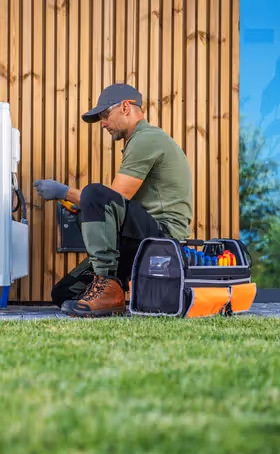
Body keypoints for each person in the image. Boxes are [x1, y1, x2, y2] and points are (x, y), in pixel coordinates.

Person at [33, 83, 194, 317]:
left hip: (163, 240)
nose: (104, 123)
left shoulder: (146, 139)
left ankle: (107, 283)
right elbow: (117, 208)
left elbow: (114, 199)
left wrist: (64, 191)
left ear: (126, 107)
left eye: (106, 115)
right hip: (139, 238)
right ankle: (110, 292)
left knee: (95, 193)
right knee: (65, 293)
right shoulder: (139, 141)